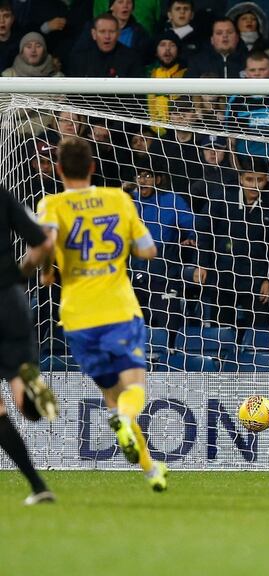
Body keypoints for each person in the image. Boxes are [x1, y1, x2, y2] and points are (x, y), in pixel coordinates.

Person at [35, 136, 167, 492]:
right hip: (118, 308)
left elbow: (45, 244)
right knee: (134, 387)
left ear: (59, 169)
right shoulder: (118, 199)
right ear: (92, 167)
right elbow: (148, 250)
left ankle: (151, 469)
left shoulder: (50, 204)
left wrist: (48, 271)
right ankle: (126, 420)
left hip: (77, 316)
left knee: (111, 393)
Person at [0, 185, 57, 505]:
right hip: (11, 300)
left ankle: (38, 485)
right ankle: (31, 385)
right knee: (21, 388)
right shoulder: (2, 193)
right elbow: (43, 242)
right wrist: (22, 275)